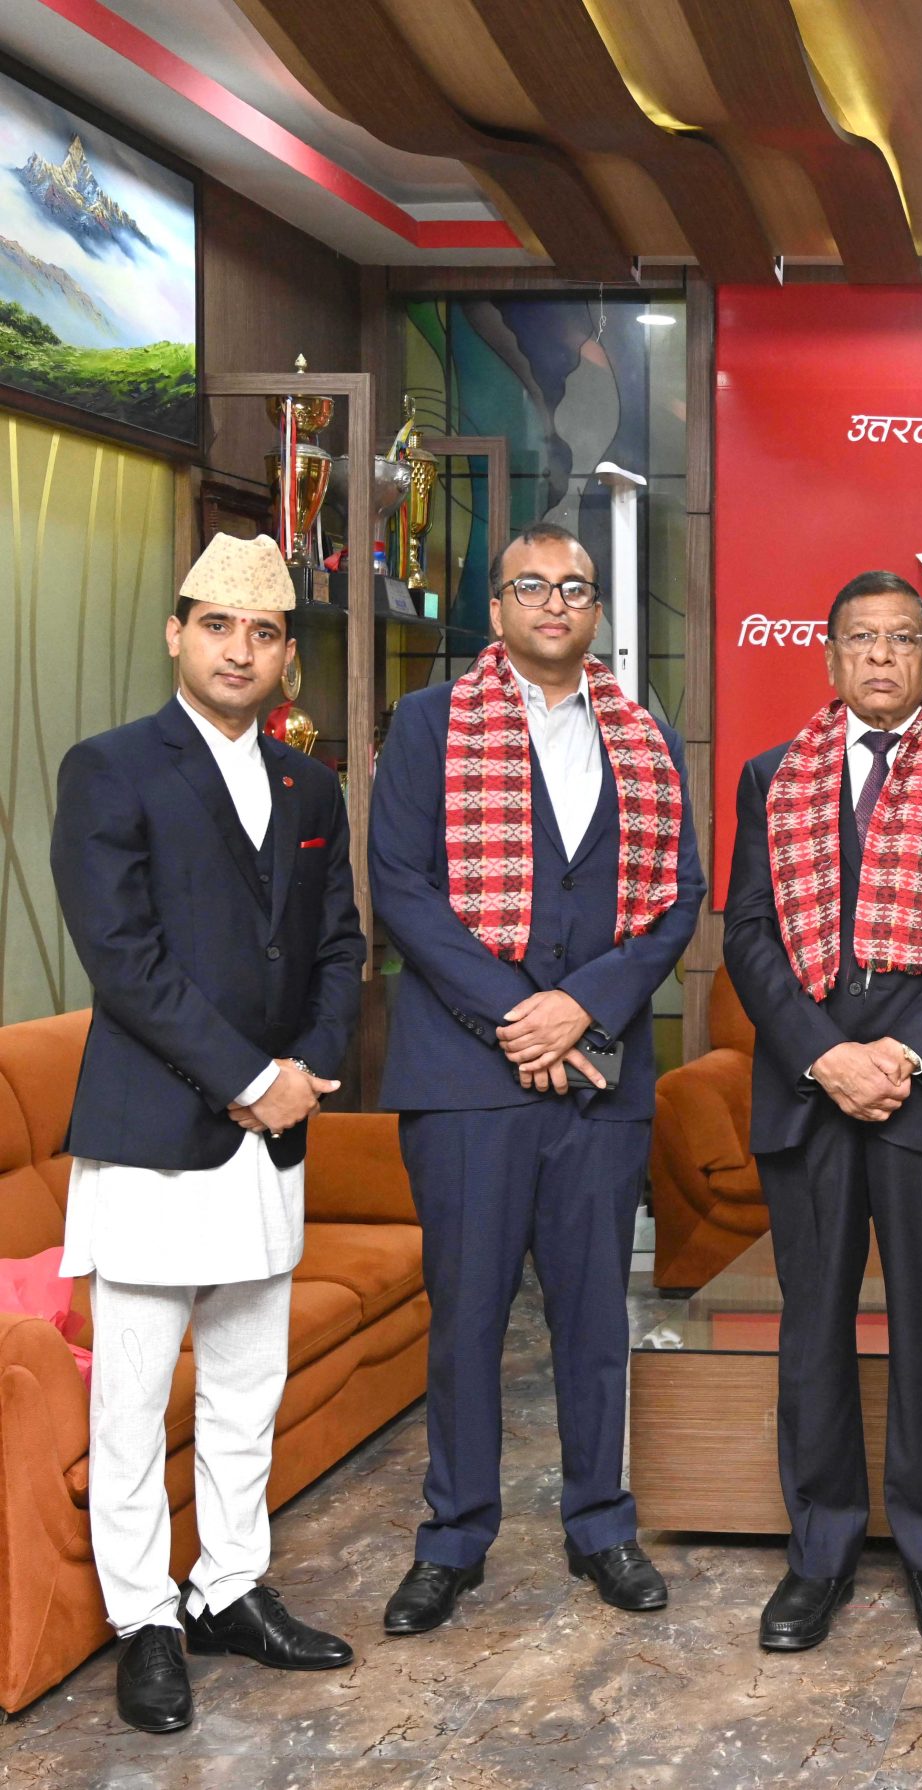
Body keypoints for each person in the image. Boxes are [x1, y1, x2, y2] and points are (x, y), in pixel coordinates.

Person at [48, 533, 365, 1733]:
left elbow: (338, 944)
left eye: (264, 632)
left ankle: (230, 1584)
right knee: (133, 1399)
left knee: (245, 1383)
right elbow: (122, 957)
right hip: (154, 1133)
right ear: (177, 633)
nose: (241, 650)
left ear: (287, 654)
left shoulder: (310, 788)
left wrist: (307, 1070)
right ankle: (145, 1617)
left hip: (268, 1138)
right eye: (218, 626)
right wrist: (246, 1075)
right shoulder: (110, 768)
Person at [368, 521, 704, 1635]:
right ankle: (453, 1539)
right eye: (532, 586)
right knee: (466, 1316)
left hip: (600, 1077)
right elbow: (400, 886)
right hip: (467, 1076)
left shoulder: (644, 735)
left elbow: (679, 895)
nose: (556, 603)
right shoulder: (429, 723)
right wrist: (521, 1014)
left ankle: (601, 1524)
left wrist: (584, 1006)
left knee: (595, 1314)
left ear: (595, 610)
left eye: (575, 587)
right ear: (497, 607)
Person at [723, 571, 922, 1652]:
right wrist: (825, 1055)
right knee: (811, 1328)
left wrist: (899, 1053)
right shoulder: (772, 775)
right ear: (830, 655)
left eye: (903, 638)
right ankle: (818, 1552)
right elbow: (748, 932)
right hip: (809, 1094)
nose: (882, 656)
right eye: (862, 638)